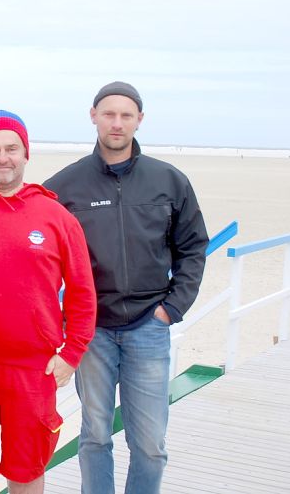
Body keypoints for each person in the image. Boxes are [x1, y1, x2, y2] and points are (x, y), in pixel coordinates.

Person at [43, 82, 208, 494]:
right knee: (95, 435)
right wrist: (60, 321)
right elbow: (40, 260)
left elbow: (193, 248)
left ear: (139, 120)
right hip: (91, 331)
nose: (117, 123)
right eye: (109, 114)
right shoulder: (64, 187)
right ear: (93, 116)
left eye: (126, 115)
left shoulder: (169, 181)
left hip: (149, 326)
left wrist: (172, 308)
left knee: (150, 444)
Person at [0, 110, 96, 494]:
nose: (2, 157)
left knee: (27, 466)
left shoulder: (57, 218)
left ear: (26, 154)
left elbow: (82, 291)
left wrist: (71, 354)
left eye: (11, 148)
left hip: (33, 368)